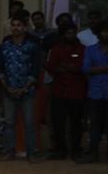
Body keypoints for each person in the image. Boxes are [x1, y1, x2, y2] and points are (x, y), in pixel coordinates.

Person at [0, 14, 41, 162]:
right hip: (8, 90)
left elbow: (35, 70)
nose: (15, 28)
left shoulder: (32, 47)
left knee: (29, 123)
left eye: (19, 25)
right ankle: (9, 151)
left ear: (25, 28)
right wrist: (7, 87)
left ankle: (31, 153)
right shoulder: (4, 46)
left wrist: (25, 87)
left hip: (27, 90)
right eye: (13, 25)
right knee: (9, 122)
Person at [45, 23, 86, 160]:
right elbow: (51, 67)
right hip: (59, 91)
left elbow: (82, 67)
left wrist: (64, 66)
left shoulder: (82, 49)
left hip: (77, 92)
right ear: (63, 35)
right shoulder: (56, 49)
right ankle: (61, 150)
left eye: (73, 33)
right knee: (58, 123)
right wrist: (70, 67)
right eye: (68, 33)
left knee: (76, 123)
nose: (71, 35)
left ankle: (76, 150)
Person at [79, 22, 108, 163]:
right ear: (98, 33)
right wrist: (104, 69)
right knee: (94, 125)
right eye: (104, 31)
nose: (106, 34)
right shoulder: (90, 49)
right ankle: (93, 153)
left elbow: (90, 69)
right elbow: (85, 68)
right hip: (95, 92)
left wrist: (96, 69)